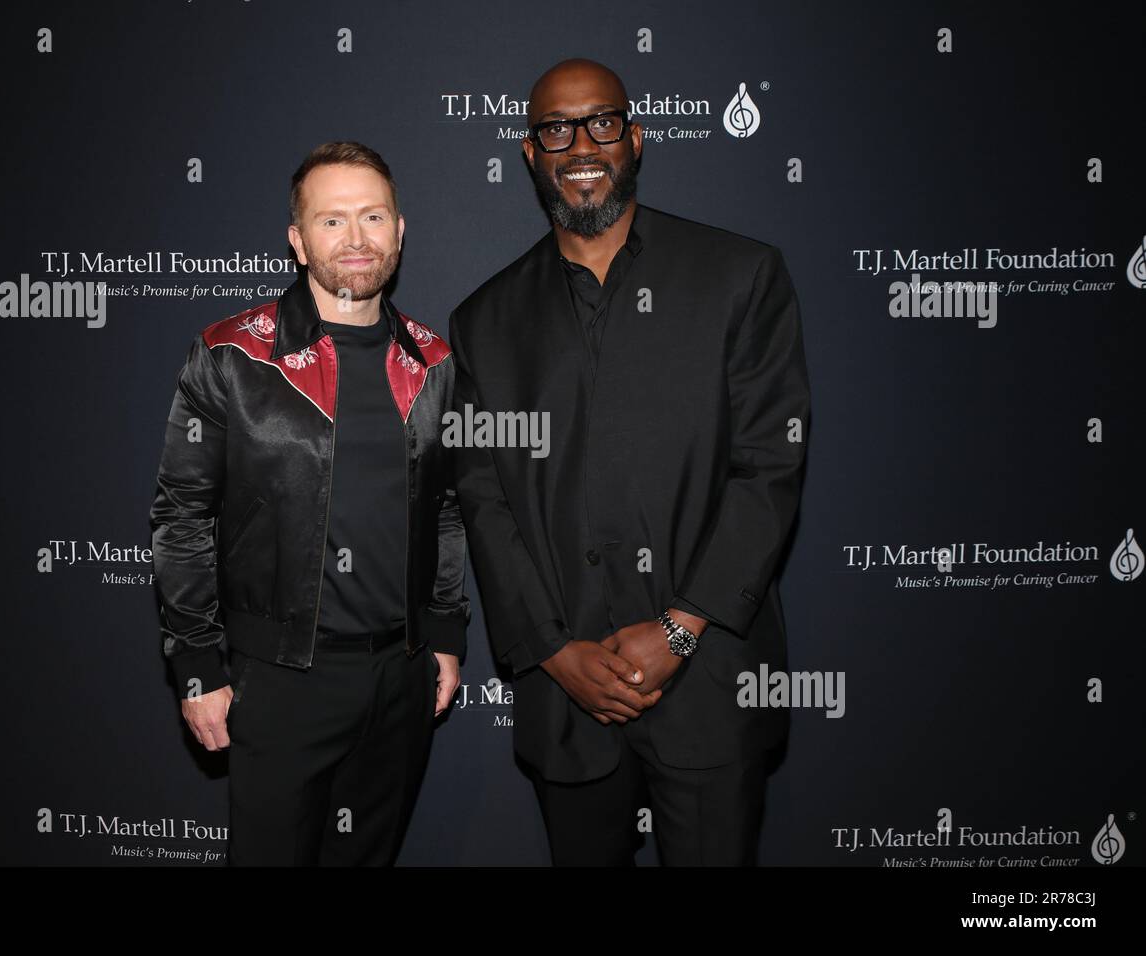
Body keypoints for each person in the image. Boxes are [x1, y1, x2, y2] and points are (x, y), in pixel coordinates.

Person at [448, 59, 811, 865]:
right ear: (530, 153)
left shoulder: (739, 278)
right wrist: (551, 650)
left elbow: (768, 470)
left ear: (635, 138)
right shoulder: (484, 321)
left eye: (601, 122)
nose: (580, 144)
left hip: (712, 684)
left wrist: (680, 631)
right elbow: (484, 499)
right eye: (556, 129)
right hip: (565, 703)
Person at [149, 142, 469, 866]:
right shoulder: (232, 355)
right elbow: (181, 519)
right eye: (331, 221)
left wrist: (445, 634)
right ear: (297, 241)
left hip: (401, 677)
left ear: (400, 229)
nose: (355, 239)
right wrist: (198, 665)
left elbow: (446, 509)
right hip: (282, 681)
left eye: (372, 216)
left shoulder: (435, 363)